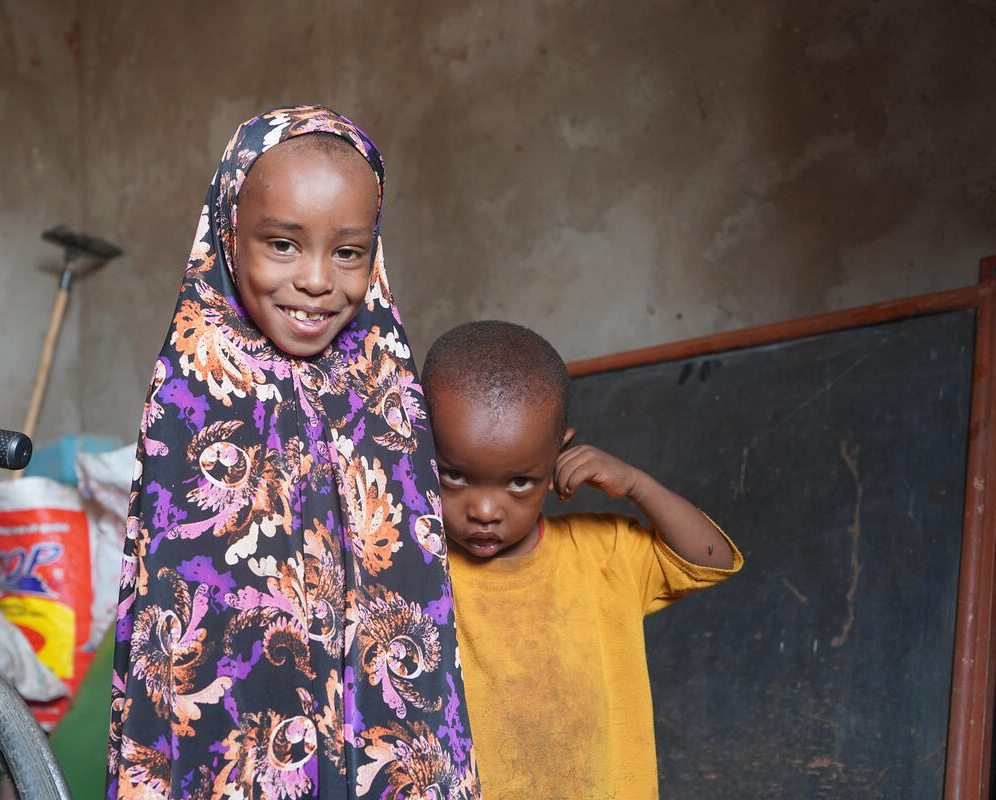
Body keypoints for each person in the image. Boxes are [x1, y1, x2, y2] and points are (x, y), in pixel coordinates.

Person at [108, 106, 481, 800]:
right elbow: (178, 616)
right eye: (283, 244)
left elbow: (415, 580)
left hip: (375, 733)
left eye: (348, 253)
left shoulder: (388, 391)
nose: (316, 280)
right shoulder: (193, 393)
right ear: (228, 232)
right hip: (244, 732)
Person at [421, 320, 742, 800]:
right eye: (455, 476)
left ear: (559, 454)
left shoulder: (602, 552)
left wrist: (638, 485)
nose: (485, 511)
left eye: (519, 482)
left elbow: (710, 558)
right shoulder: (413, 566)